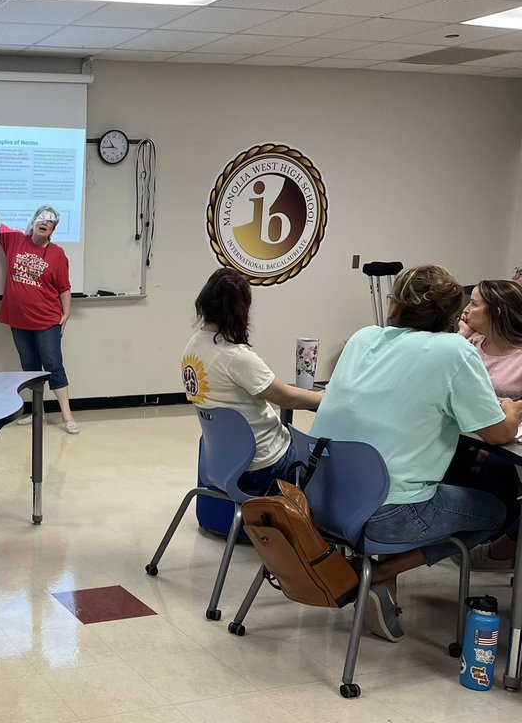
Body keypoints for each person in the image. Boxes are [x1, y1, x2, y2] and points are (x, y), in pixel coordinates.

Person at [311, 265, 520, 642]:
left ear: (395, 307)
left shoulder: (363, 338)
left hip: (322, 500)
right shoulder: (454, 351)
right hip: (384, 515)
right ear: (452, 313)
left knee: (415, 477)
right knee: (494, 512)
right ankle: (378, 574)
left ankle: (378, 577)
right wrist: (511, 413)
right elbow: (498, 433)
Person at [180, 269, 323, 495]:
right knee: (321, 457)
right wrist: (324, 397)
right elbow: (287, 397)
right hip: (264, 465)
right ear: (239, 311)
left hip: (222, 461)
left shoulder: (193, 346)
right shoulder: (235, 356)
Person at [0, 180, 79, 433]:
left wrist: (67, 313)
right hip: (19, 319)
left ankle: (67, 415)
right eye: (41, 218)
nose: (45, 222)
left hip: (47, 321)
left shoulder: (57, 255)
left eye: (50, 222)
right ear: (33, 222)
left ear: (53, 230)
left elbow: (64, 288)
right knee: (30, 369)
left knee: (53, 365)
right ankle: (38, 413)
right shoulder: (15, 240)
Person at [450, 279, 522, 569]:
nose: (466, 310)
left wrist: (494, 433)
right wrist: (462, 334)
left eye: (474, 303)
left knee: (498, 464)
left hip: (507, 439)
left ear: (497, 312)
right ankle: (456, 530)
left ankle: (495, 536)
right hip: (468, 434)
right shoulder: (470, 345)